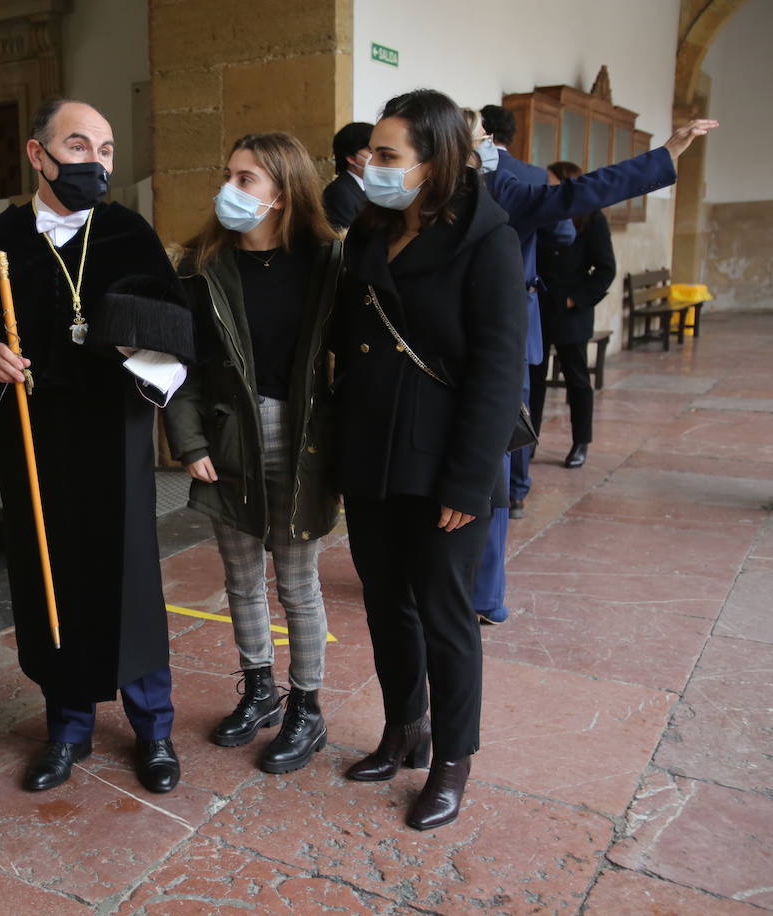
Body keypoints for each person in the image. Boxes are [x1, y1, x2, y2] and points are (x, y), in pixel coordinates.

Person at [0, 98, 193, 795]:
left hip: (114, 432)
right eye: (79, 146)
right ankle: (68, 729)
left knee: (129, 579)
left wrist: (137, 349)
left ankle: (155, 729)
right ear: (38, 155)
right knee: (50, 577)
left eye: (106, 149)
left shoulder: (127, 233)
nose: (96, 162)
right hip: (36, 437)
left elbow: (175, 330)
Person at [333, 89, 526, 831]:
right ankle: (402, 729)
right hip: (372, 455)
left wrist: (469, 481)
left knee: (445, 614)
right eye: (369, 154)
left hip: (445, 462)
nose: (370, 167)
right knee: (386, 605)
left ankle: (452, 759)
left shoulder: (488, 241)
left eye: (387, 156)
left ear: (434, 161)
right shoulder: (369, 234)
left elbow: (497, 370)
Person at [466, 108, 717, 625]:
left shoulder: (508, 189)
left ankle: (485, 595)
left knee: (490, 464)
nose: (480, 144)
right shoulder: (419, 193)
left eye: (481, 135)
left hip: (499, 344)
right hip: (440, 352)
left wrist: (665, 155)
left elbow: (581, 195)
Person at [164, 132, 342, 774]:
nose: (229, 190)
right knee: (240, 578)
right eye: (229, 174)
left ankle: (307, 708)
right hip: (227, 439)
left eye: (247, 180)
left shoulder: (326, 262)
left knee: (297, 583)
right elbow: (178, 362)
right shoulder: (200, 264)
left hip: (302, 441)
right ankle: (260, 689)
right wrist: (188, 442)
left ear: (282, 193)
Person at [479, 105, 575, 522]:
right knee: (517, 399)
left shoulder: (458, 173)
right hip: (518, 303)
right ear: (512, 135)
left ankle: (486, 490)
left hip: (468, 304)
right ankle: (516, 489)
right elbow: (565, 232)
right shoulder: (535, 175)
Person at [532, 161, 617, 469]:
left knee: (577, 380)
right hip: (538, 309)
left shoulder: (592, 219)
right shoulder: (541, 213)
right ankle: (529, 441)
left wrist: (574, 300)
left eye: (553, 181)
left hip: (570, 313)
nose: (548, 186)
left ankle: (581, 442)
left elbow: (605, 269)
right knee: (534, 379)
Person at [323, 121, 373, 230]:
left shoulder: (372, 188)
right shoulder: (339, 193)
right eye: (372, 152)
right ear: (351, 158)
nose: (378, 159)